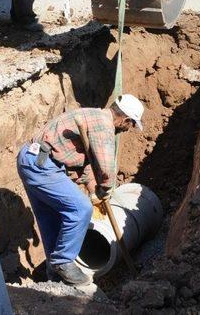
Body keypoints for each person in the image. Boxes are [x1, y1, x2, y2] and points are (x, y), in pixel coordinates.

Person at [17, 94, 145, 286]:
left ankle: (55, 274)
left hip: (32, 159)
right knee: (81, 209)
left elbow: (88, 164)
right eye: (131, 125)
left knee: (52, 219)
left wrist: (95, 190)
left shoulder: (94, 118)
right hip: (42, 165)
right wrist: (106, 189)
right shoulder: (103, 125)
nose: (128, 129)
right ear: (125, 119)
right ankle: (63, 262)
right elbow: (106, 167)